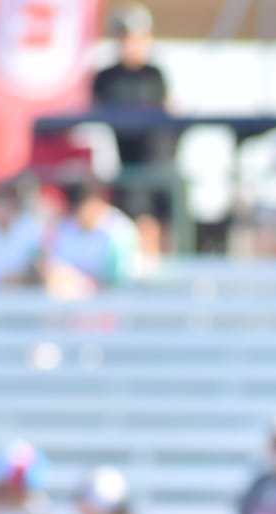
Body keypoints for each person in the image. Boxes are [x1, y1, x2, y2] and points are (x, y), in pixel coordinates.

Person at [90, 3, 173, 257]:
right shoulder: (106, 77)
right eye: (126, 37)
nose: (132, 43)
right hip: (123, 167)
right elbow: (94, 124)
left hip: (157, 164)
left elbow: (170, 112)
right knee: (132, 228)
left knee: (160, 226)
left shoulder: (155, 75)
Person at [43, 182, 141, 297]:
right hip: (68, 305)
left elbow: (120, 280)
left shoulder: (120, 231)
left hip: (111, 303)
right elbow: (53, 269)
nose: (82, 214)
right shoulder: (65, 227)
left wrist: (81, 283)